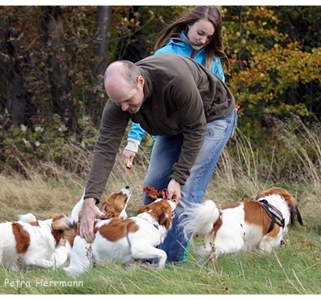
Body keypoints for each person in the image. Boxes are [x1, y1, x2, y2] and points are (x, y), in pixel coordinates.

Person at [79, 53, 238, 264]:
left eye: (127, 101)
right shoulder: (119, 101)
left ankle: (170, 267)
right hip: (173, 124)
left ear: (140, 82)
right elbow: (105, 149)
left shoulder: (174, 81)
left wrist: (178, 177)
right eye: (119, 103)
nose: (124, 108)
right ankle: (147, 258)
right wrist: (90, 201)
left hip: (211, 118)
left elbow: (196, 129)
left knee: (182, 194)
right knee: (153, 186)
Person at [124, 6, 230, 162]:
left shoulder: (213, 61)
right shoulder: (165, 55)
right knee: (156, 184)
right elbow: (143, 100)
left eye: (209, 37)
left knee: (186, 182)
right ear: (188, 24)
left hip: (197, 135)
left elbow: (220, 100)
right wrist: (133, 141)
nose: (203, 40)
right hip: (167, 133)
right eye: (200, 33)